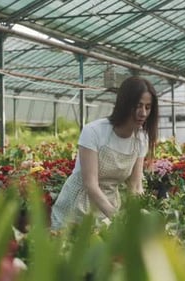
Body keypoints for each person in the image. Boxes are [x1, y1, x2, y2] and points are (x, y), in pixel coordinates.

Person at [51, 76, 159, 229]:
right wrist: (116, 217)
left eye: (148, 107)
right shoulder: (95, 131)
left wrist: (141, 212)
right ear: (124, 104)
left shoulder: (141, 138)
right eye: (138, 106)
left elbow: (135, 186)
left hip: (109, 204)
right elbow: (91, 185)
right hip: (77, 206)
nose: (143, 113)